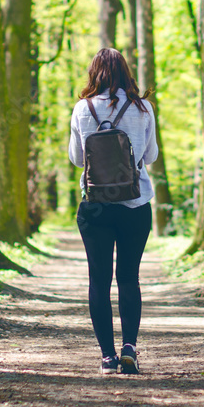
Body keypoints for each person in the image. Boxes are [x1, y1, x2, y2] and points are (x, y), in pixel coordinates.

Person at [68, 48, 158, 375]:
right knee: (129, 278)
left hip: (95, 208)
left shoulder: (82, 108)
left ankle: (107, 357)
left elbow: (78, 159)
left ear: (95, 74)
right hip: (135, 204)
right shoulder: (143, 107)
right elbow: (150, 156)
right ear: (125, 72)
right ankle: (130, 348)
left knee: (99, 280)